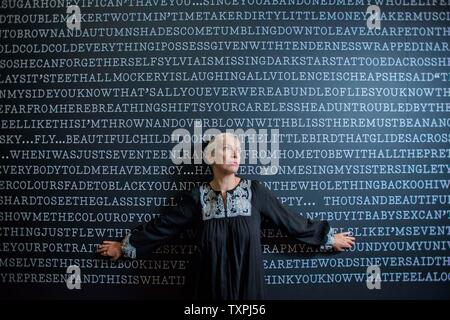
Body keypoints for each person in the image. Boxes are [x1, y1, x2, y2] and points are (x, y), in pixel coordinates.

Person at [97, 132, 355, 300]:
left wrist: (328, 238)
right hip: (206, 289)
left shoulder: (255, 191)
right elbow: (164, 227)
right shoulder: (197, 196)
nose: (235, 154)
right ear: (211, 156)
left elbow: (291, 221)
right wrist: (124, 246)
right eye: (228, 149)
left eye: (238, 150)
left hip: (247, 286)